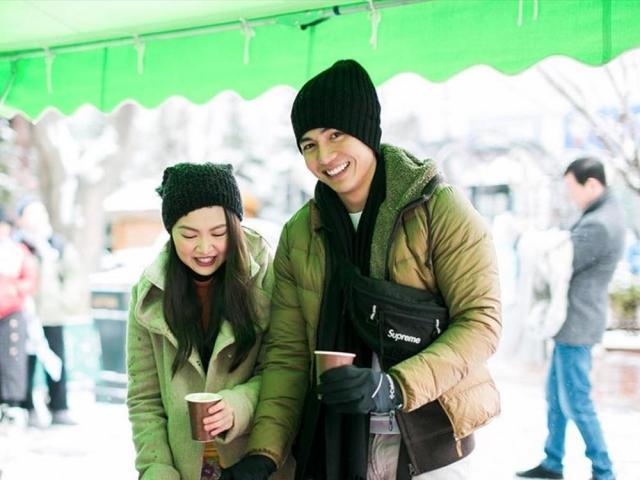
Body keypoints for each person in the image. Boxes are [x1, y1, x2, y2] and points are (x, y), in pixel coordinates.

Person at [222, 59, 502, 480]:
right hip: (330, 443)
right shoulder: (301, 233)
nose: (325, 156)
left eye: (335, 135)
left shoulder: (437, 208)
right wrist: (265, 452)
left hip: (429, 444)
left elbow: (481, 323)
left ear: (366, 131)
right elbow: (288, 354)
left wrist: (394, 387)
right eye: (309, 144)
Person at [126, 163, 294, 480]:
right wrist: (156, 467)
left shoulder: (267, 279)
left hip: (253, 464)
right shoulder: (149, 294)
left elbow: (283, 371)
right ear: (170, 232)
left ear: (236, 227)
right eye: (189, 235)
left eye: (219, 233)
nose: (205, 248)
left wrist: (238, 406)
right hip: (183, 468)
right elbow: (144, 399)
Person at [517, 157, 625, 480]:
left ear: (591, 184)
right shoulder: (602, 213)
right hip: (575, 322)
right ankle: (553, 461)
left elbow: (558, 263)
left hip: (578, 324)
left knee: (575, 400)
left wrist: (533, 243)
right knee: (555, 396)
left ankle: (603, 471)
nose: (569, 195)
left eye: (571, 187)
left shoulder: (599, 224)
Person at [15, 197, 85, 427]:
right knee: (24, 362)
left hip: (52, 313)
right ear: (21, 219)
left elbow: (73, 275)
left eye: (41, 213)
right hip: (23, 314)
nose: (37, 219)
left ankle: (59, 406)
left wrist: (65, 301)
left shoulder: (57, 244)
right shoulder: (16, 245)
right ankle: (26, 407)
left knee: (57, 360)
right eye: (31, 214)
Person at [0, 207, 37, 424]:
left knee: (12, 358)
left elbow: (30, 280)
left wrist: (14, 289)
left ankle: (12, 403)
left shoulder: (18, 251)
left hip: (12, 312)